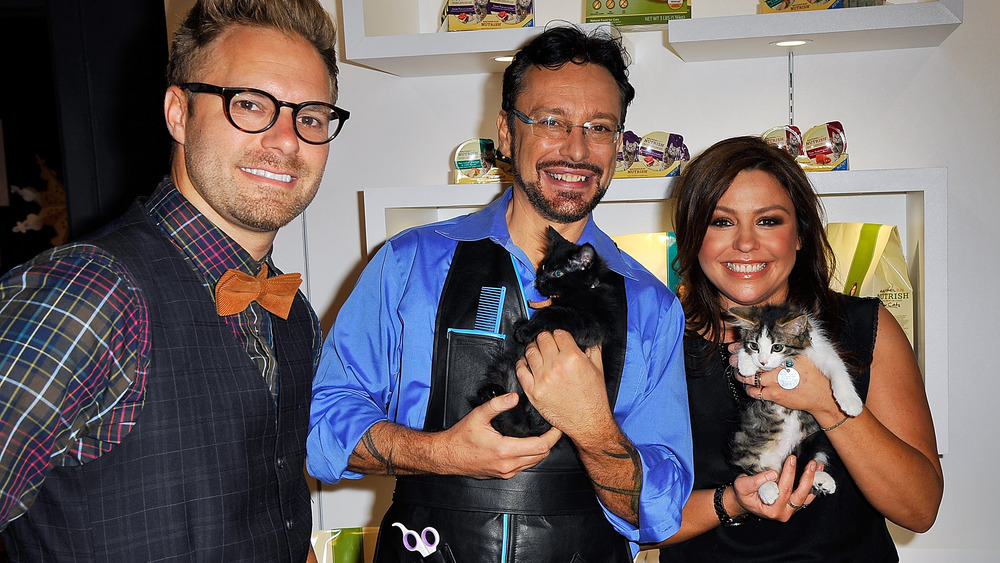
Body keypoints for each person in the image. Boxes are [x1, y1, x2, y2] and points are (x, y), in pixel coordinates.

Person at [307, 25, 693, 562]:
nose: (576, 149)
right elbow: (322, 423)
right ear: (507, 134)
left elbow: (661, 510)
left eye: (599, 128)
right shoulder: (409, 262)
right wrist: (440, 453)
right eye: (551, 121)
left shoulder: (651, 304)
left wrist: (596, 430)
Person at [0, 0, 347, 560]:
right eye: (251, 105)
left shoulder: (293, 313)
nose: (287, 140)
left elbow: (271, 510)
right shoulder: (88, 290)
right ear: (179, 113)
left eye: (308, 116)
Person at [648, 136, 943, 561]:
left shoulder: (864, 325)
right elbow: (632, 522)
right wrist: (729, 502)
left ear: (800, 234)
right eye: (721, 221)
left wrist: (825, 402)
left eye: (768, 221)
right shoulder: (659, 342)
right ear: (693, 237)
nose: (746, 243)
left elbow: (920, 508)